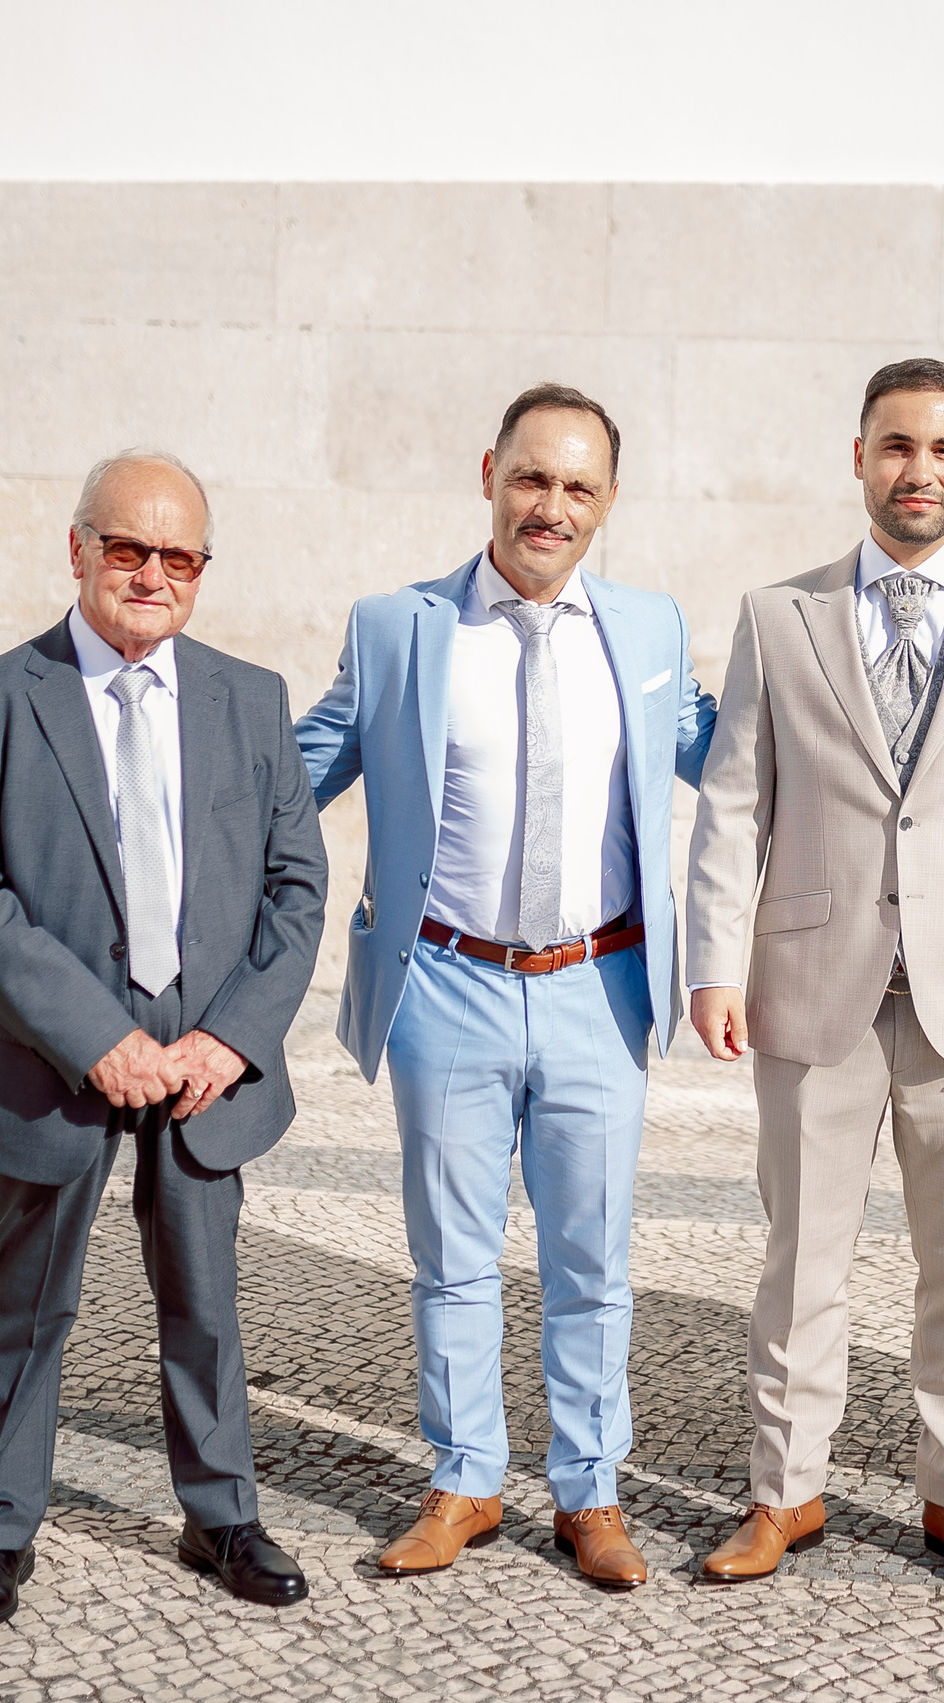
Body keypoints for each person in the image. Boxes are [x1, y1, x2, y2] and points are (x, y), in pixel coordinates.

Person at [686, 358, 944, 1596]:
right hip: (808, 981)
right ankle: (783, 1492)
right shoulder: (780, 614)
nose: (917, 470)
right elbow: (730, 801)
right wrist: (716, 961)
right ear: (859, 456)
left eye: (942, 448)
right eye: (894, 446)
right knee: (799, 1253)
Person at [293, 385, 716, 1589]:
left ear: (608, 502)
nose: (551, 506)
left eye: (578, 487)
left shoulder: (648, 631)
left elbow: (739, 756)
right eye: (532, 478)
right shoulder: (398, 627)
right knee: (453, 1256)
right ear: (490, 473)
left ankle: (590, 1492)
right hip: (445, 983)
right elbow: (294, 772)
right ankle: (465, 1479)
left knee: (592, 1262)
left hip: (598, 983)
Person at [0, 450, 328, 1633]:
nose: (152, 573)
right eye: (128, 548)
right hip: (55, 1055)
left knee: (205, 1299)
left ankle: (221, 1513)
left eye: (179, 556)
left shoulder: (249, 699)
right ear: (79, 548)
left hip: (202, 1063)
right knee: (25, 1299)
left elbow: (297, 887)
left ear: (203, 569)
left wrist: (229, 1040)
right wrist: (95, 1037)